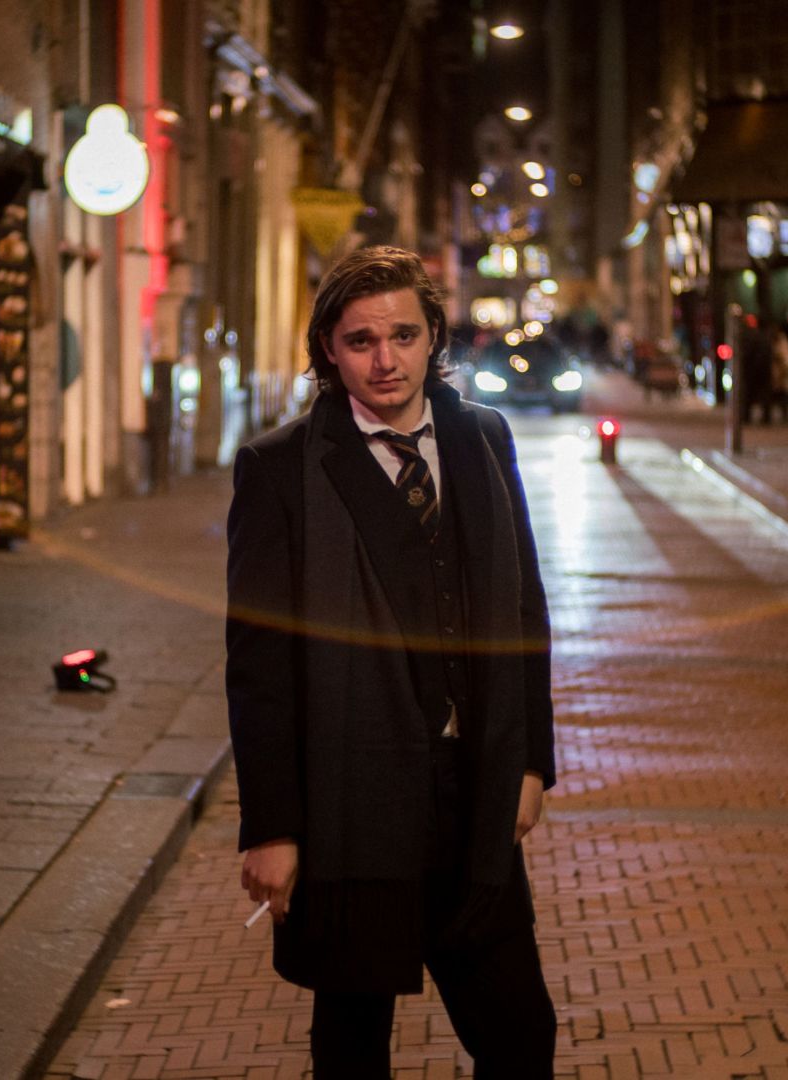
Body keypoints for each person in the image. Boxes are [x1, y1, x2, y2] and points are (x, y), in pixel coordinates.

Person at [225, 245, 558, 1078]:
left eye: (403, 336)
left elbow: (524, 611)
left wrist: (530, 762)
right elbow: (260, 668)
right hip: (352, 796)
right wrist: (271, 827)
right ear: (328, 349)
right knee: (353, 1045)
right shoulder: (280, 469)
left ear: (433, 336)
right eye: (361, 341)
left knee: (520, 1035)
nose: (386, 360)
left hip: (471, 785)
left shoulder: (482, 437)